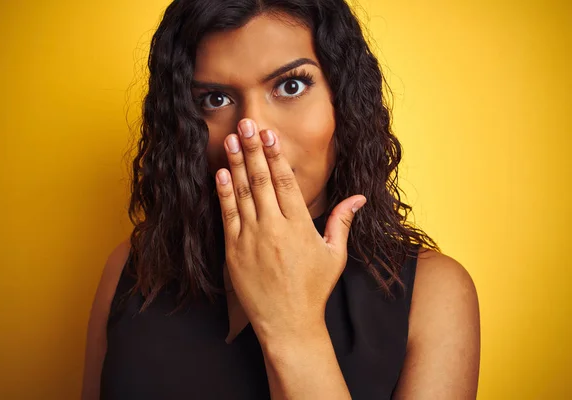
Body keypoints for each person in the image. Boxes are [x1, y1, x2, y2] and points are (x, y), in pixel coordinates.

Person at [82, 0, 481, 398]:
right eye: (215, 99)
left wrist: (293, 327)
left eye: (291, 86)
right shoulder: (133, 272)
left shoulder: (433, 294)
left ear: (343, 100)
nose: (251, 131)